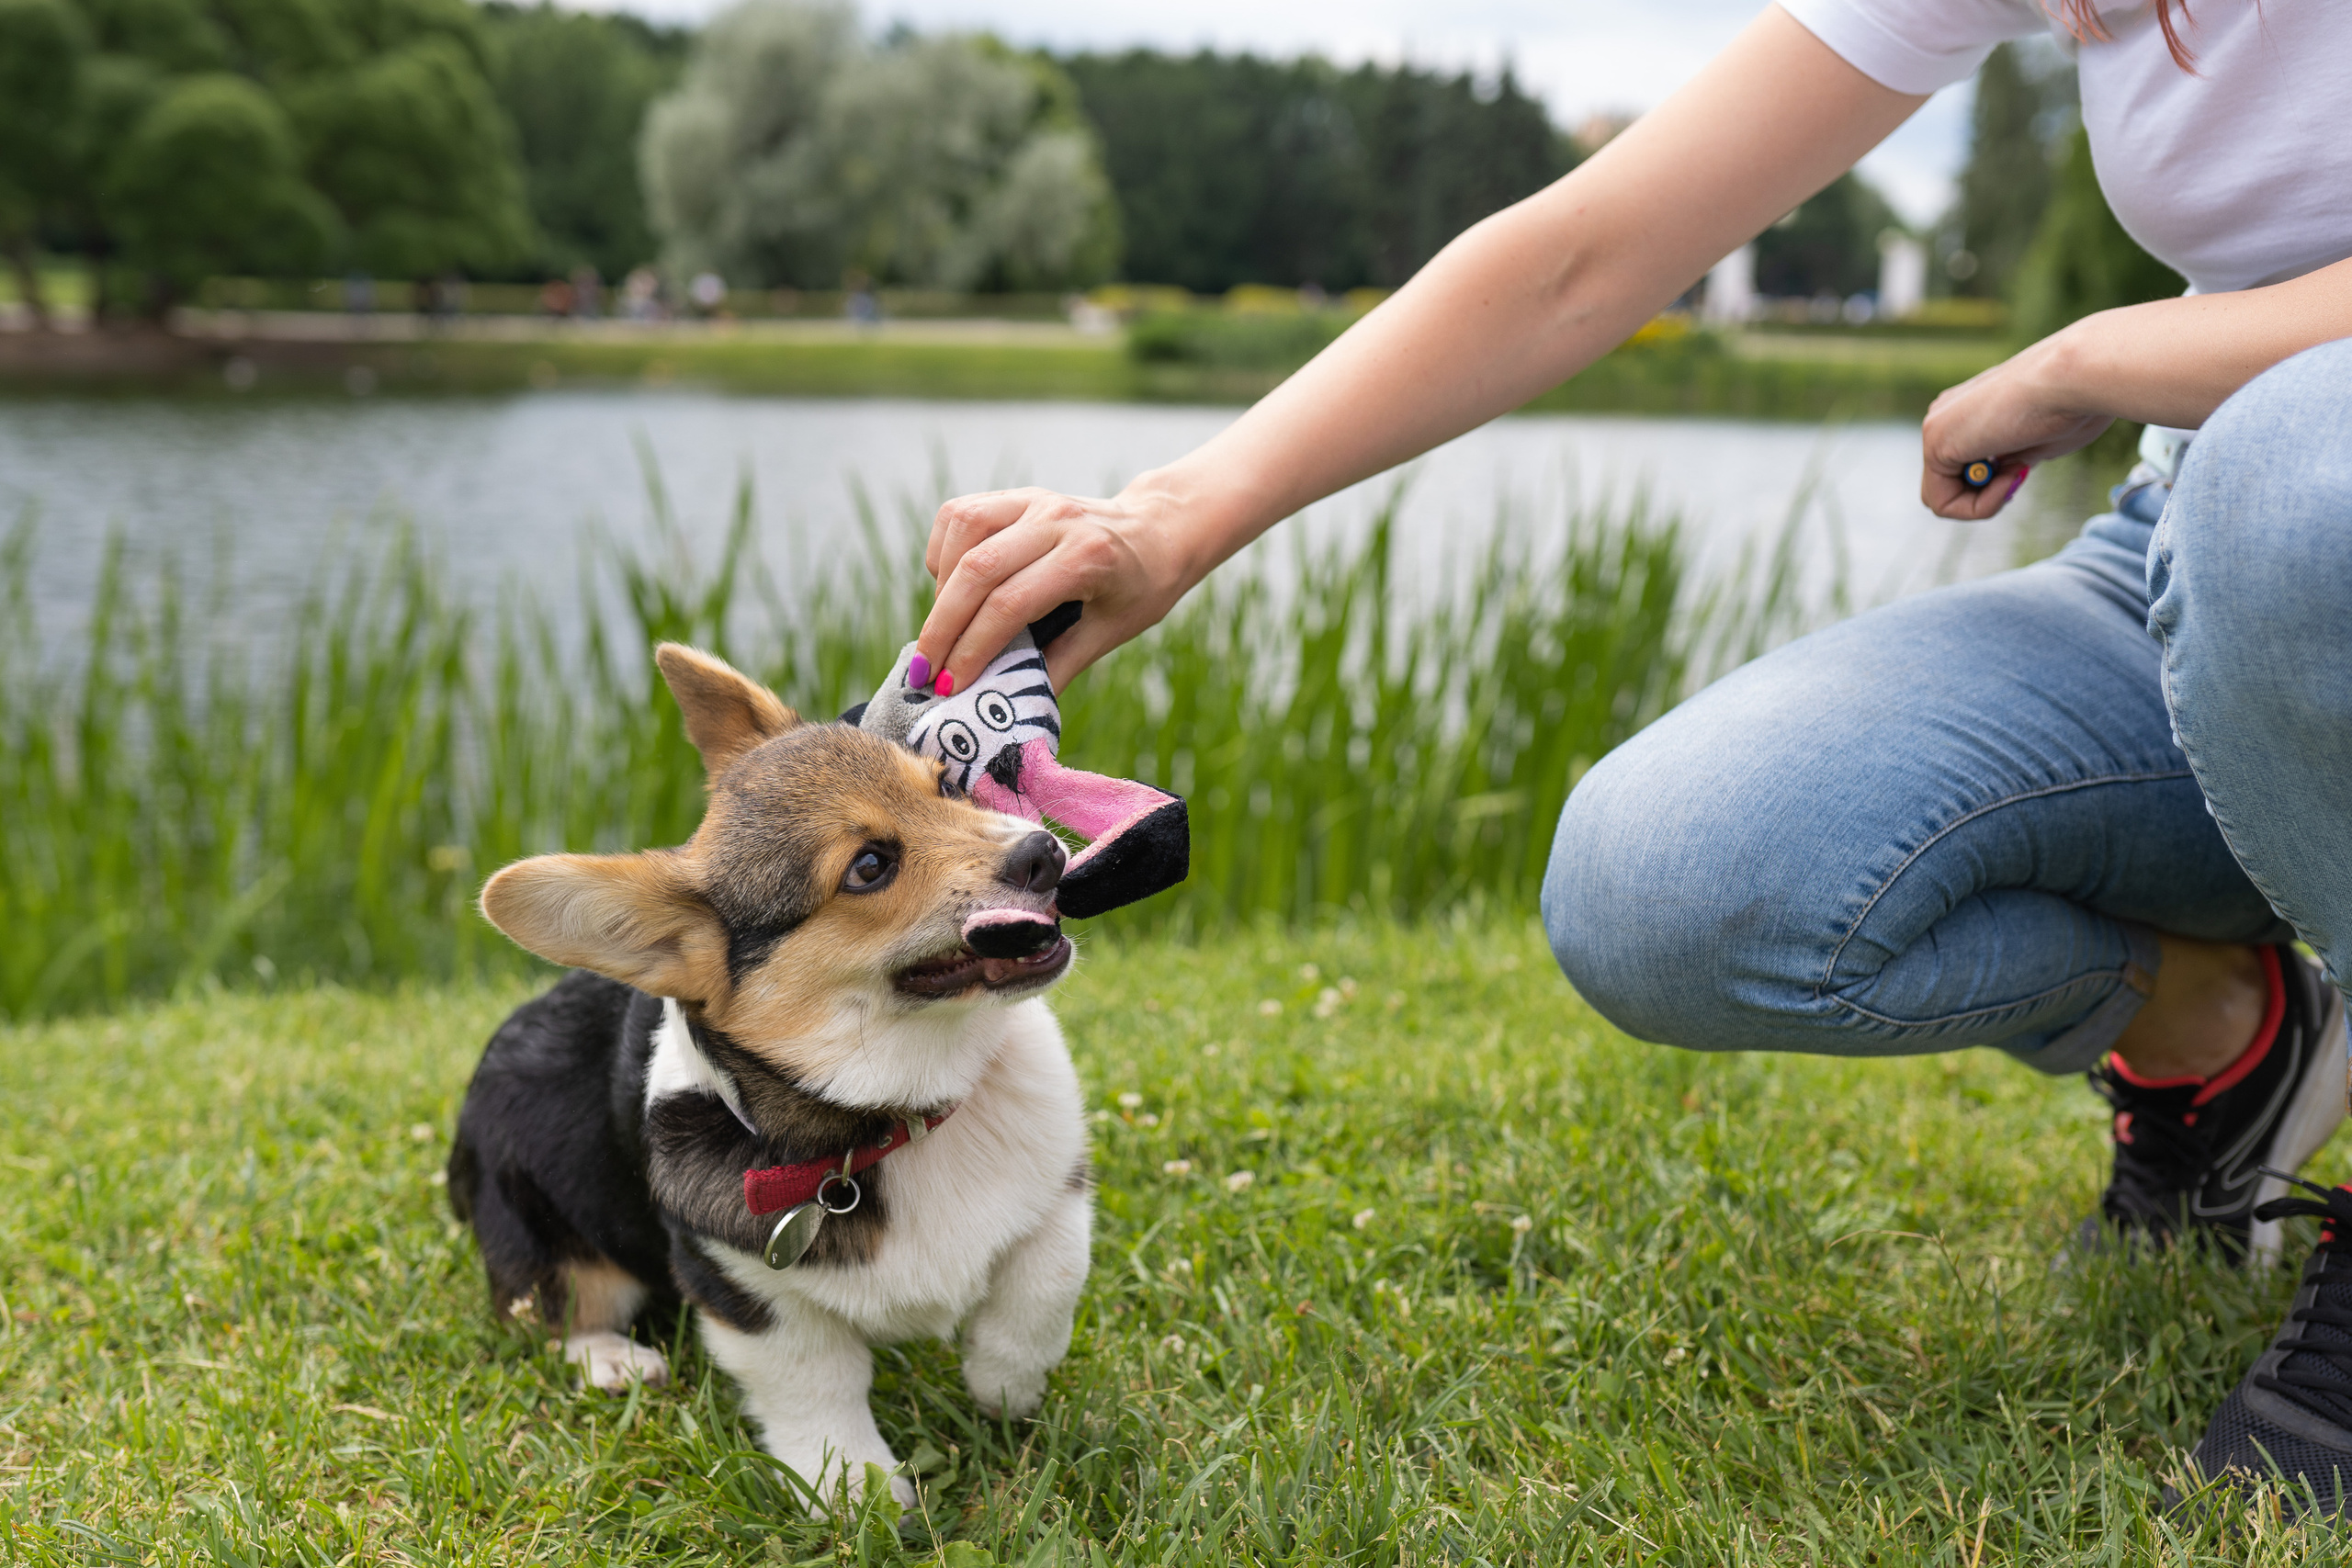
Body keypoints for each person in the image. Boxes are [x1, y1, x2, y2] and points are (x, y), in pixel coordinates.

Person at [909, 0, 2352, 1514]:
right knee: (1668, 877)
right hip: (2193, 557)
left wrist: (2092, 355)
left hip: (2296, 516)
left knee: (2291, 478)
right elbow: (1587, 253)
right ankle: (2230, 1036)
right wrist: (1171, 518)